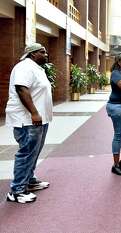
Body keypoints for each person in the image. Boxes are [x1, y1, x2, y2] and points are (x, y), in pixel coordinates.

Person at [5, 43, 51, 203]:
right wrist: (34, 113)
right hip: (27, 120)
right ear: (32, 54)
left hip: (39, 119)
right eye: (42, 52)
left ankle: (29, 180)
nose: (46, 54)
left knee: (34, 152)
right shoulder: (24, 67)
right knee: (26, 153)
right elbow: (21, 89)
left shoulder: (36, 68)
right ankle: (16, 191)